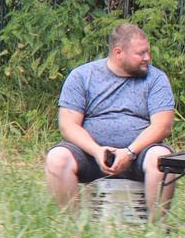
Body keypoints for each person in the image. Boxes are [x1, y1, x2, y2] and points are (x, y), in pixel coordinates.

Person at [44, 23, 176, 213]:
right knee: (57, 158)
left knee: (161, 158)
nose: (148, 58)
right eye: (141, 53)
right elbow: (68, 125)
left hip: (140, 155)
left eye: (148, 52)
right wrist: (97, 151)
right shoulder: (82, 76)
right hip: (91, 156)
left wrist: (130, 152)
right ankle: (72, 229)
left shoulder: (156, 79)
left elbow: (162, 126)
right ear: (118, 52)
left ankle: (157, 229)